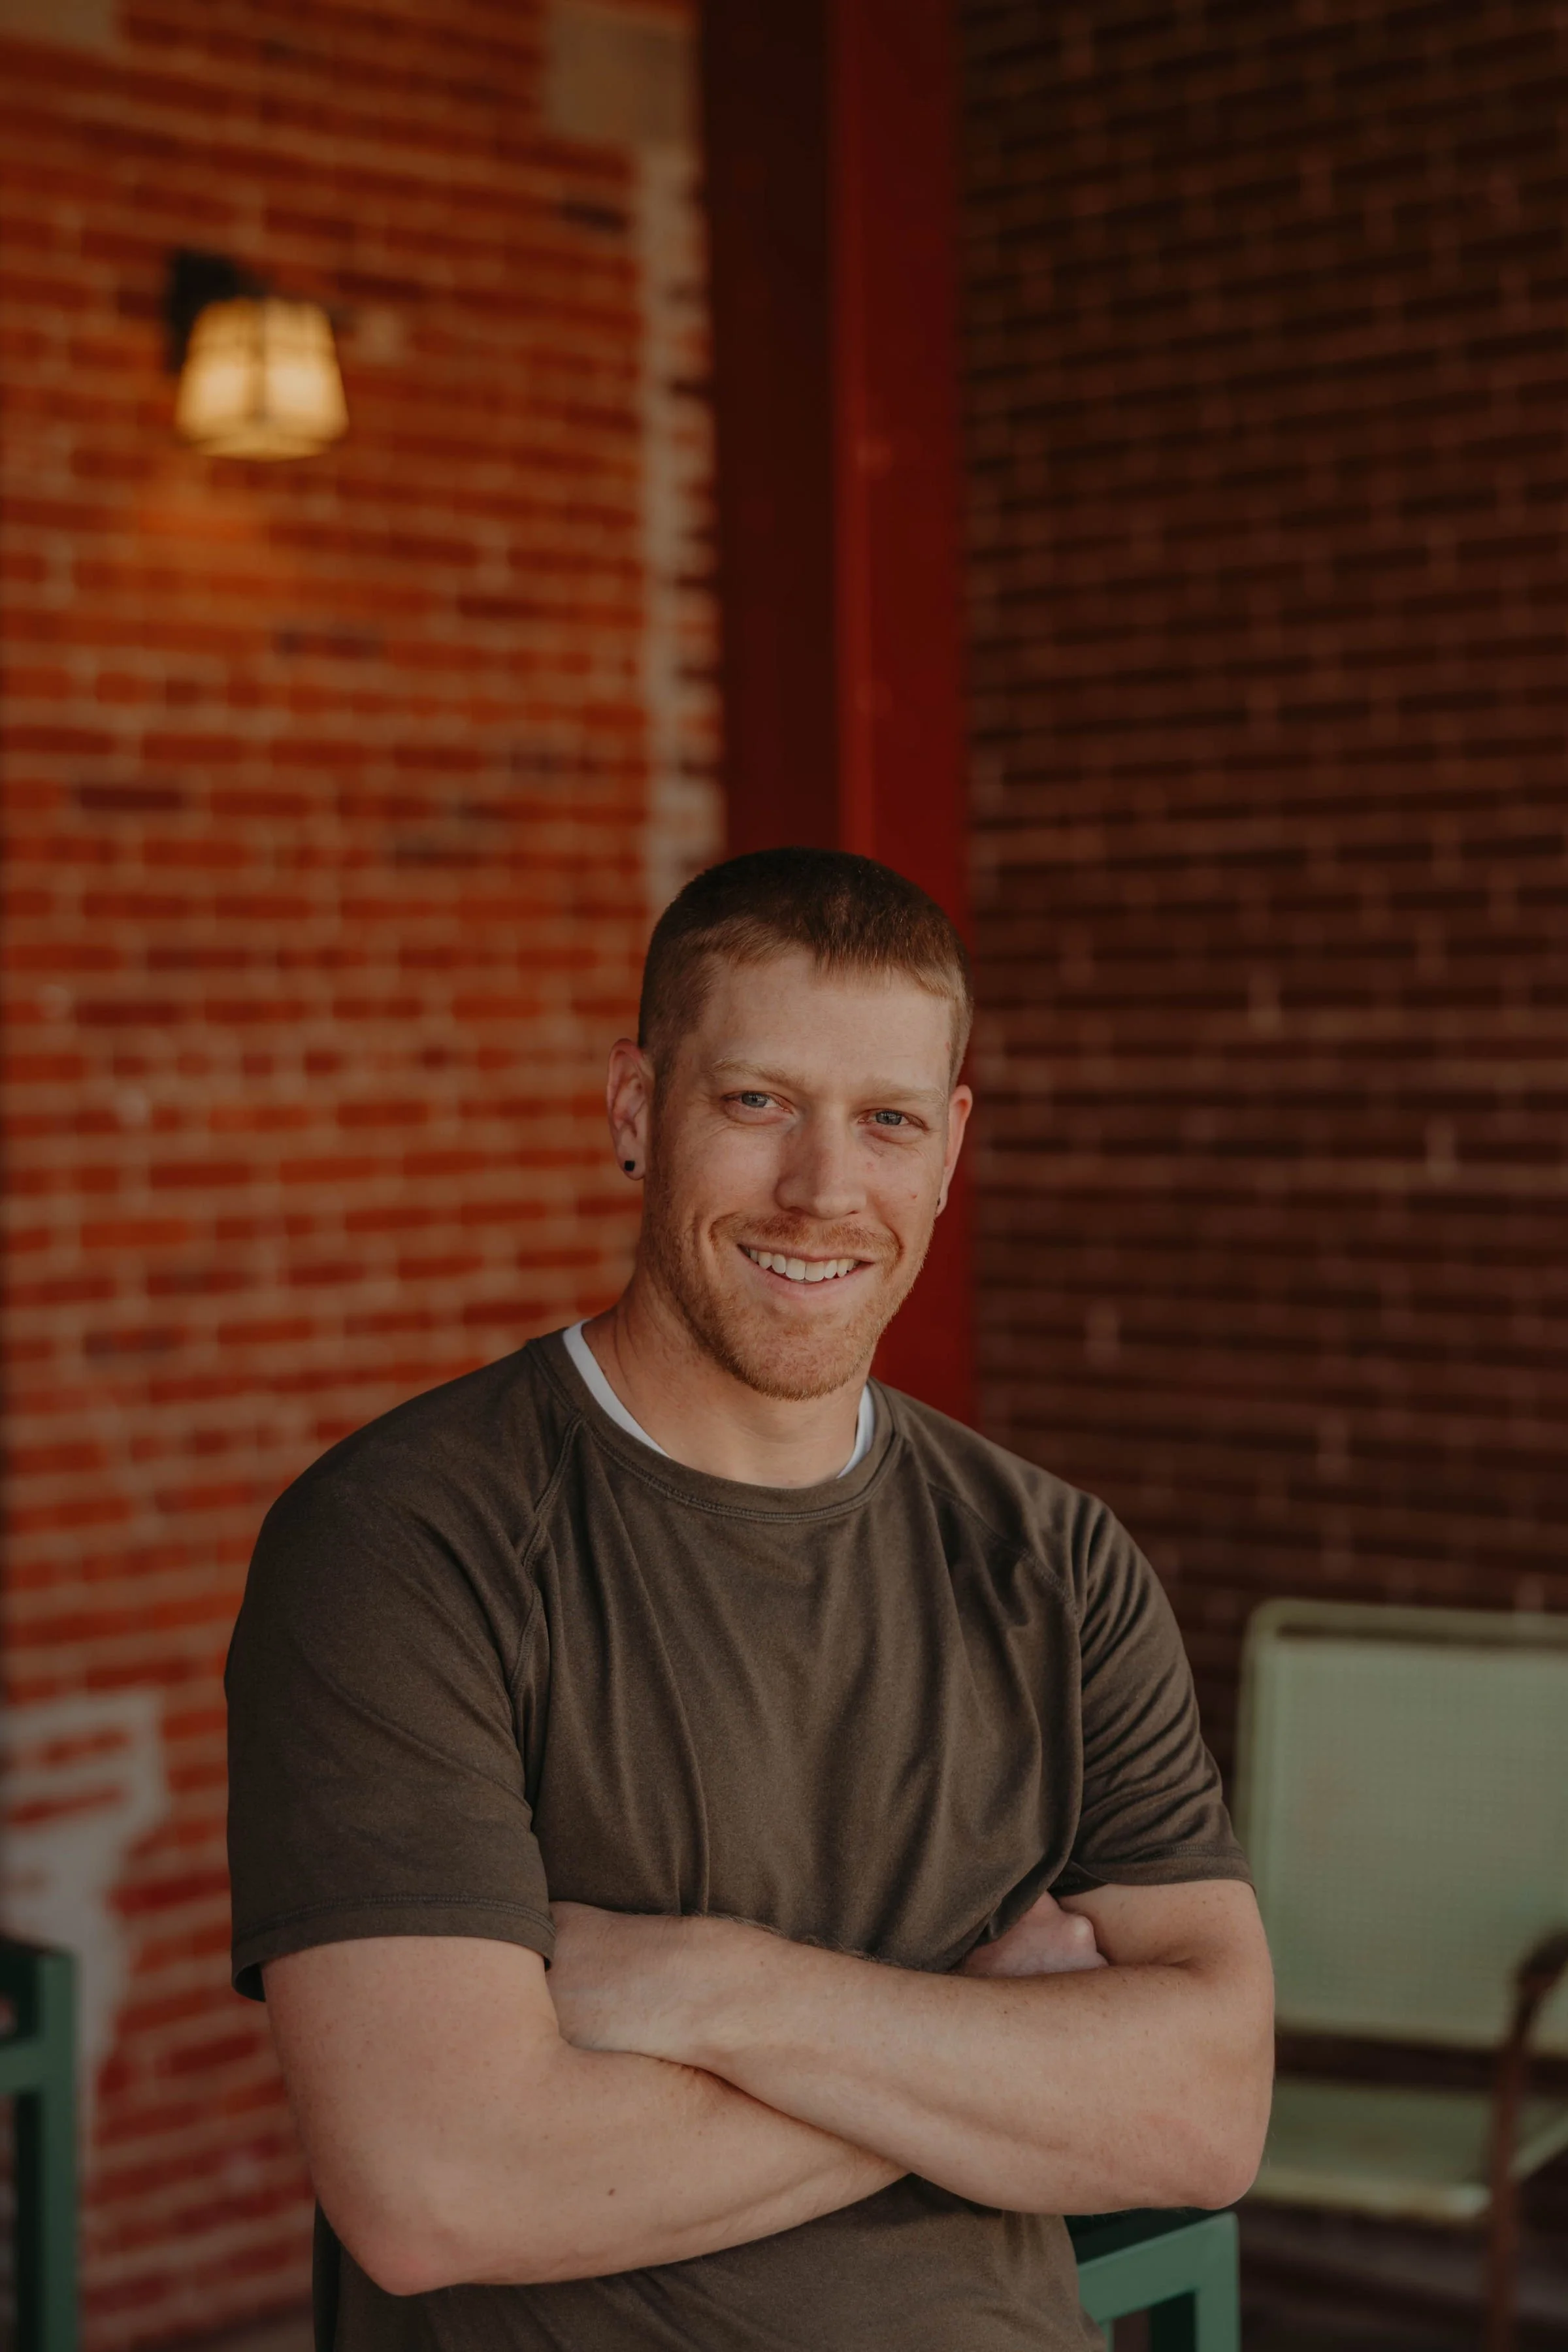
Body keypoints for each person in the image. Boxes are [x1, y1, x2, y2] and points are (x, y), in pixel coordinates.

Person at [226, 847, 1273, 2352]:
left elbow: (1208, 2112)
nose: (825, 1190)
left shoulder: (1058, 1562)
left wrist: (723, 1990)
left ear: (950, 1149)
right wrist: (989, 2037)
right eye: (759, 1102)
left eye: (888, 1120)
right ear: (635, 1109)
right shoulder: (404, 1545)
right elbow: (440, 2188)